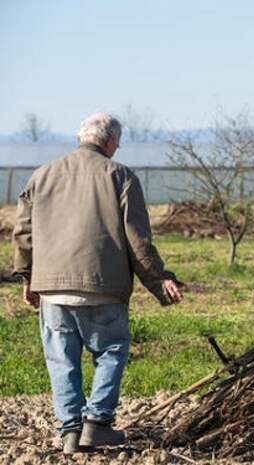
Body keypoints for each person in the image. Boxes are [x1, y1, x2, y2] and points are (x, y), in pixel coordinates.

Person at [12, 112, 183, 454]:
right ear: (108, 141)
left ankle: (71, 432)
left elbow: (24, 233)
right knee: (111, 350)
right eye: (117, 142)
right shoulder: (120, 176)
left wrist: (29, 278)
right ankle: (98, 423)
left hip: (53, 289)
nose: (118, 148)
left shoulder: (42, 175)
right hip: (103, 285)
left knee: (62, 361)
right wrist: (159, 279)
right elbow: (137, 238)